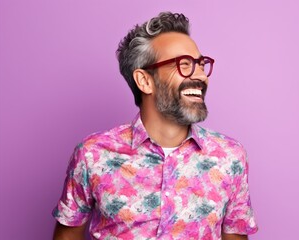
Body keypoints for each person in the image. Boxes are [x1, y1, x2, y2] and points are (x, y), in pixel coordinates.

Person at [52, 12, 258, 240]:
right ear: (145, 81)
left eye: (201, 64)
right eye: (185, 64)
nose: (201, 76)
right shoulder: (92, 154)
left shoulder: (230, 157)